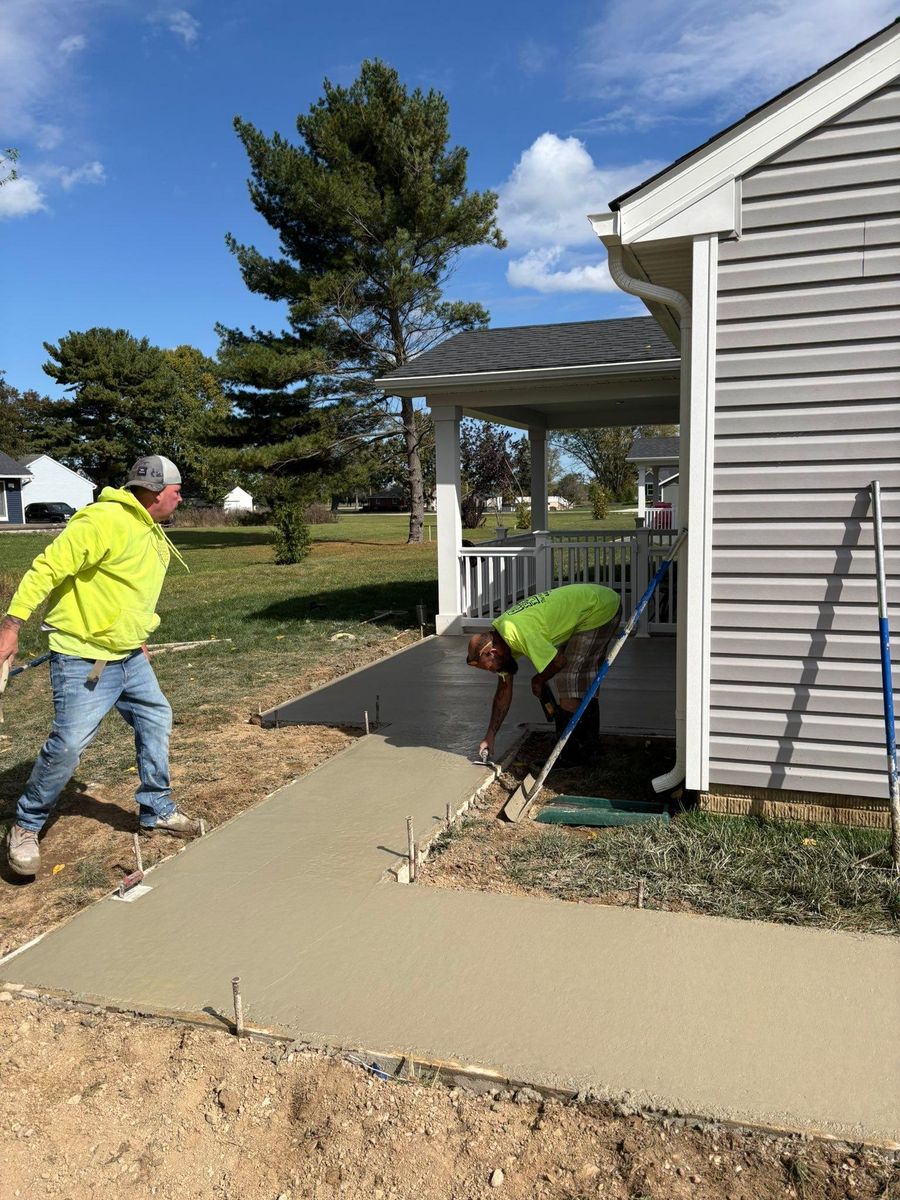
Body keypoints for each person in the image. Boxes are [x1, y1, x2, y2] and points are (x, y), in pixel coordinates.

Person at [0, 455, 203, 879]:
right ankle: (26, 826)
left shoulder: (148, 528)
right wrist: (11, 625)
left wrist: (138, 636)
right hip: (83, 657)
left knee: (156, 717)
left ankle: (157, 809)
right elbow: (46, 569)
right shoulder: (102, 521)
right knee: (70, 743)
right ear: (153, 493)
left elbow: (128, 590)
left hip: (129, 654)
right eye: (176, 490)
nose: (180, 497)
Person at [466, 583, 622, 765]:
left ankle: (571, 755)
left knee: (568, 680)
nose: (493, 671)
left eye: (489, 667)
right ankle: (589, 748)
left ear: (492, 653)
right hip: (591, 607)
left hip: (599, 606)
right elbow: (503, 691)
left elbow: (558, 662)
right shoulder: (503, 642)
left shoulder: (518, 632)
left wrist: (538, 680)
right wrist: (490, 735)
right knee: (580, 679)